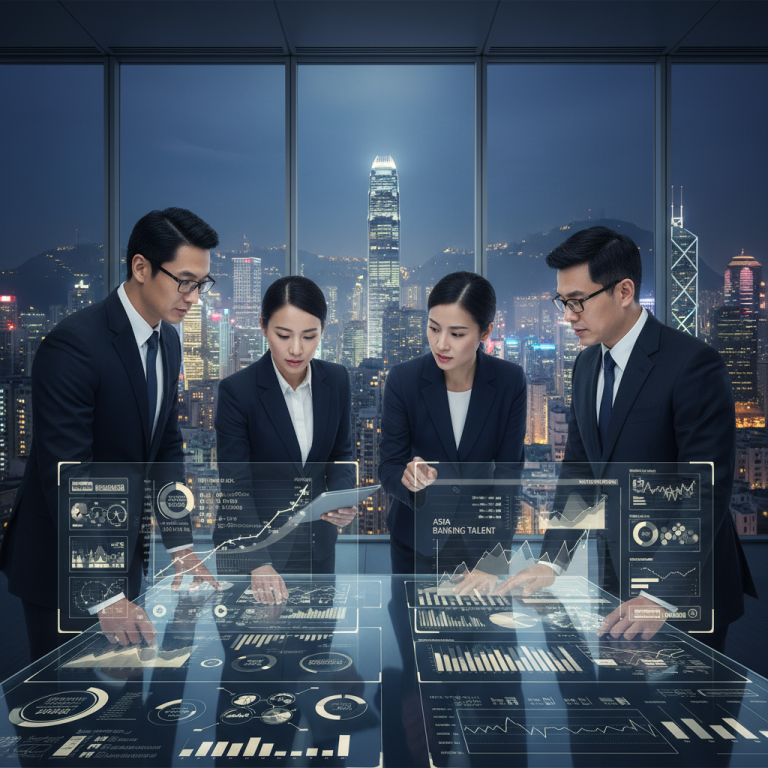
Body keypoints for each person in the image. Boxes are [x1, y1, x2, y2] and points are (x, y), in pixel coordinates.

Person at [499, 225, 756, 651]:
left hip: (684, 589)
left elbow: (707, 487)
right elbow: (580, 472)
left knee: (691, 715)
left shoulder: (692, 364)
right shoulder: (584, 368)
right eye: (562, 302)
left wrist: (659, 592)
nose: (568, 316)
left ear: (623, 291)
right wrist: (551, 562)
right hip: (619, 578)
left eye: (578, 302)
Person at [0, 207, 222, 661]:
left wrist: (180, 544)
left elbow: (165, 444)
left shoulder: (170, 339)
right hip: (63, 568)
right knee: (60, 715)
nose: (194, 297)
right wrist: (102, 590)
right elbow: (68, 474)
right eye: (184, 281)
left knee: (120, 719)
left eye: (202, 284)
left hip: (124, 559)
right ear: (140, 267)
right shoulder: (74, 345)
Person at [214, 276, 357, 604]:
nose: (296, 349)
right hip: (252, 551)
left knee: (316, 648)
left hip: (316, 546)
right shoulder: (238, 391)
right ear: (264, 327)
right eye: (283, 335)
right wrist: (258, 560)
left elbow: (341, 453)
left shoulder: (336, 380)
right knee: (253, 650)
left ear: (323, 329)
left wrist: (341, 498)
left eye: (310, 336)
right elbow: (235, 484)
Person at [379, 271, 527, 577]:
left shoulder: (510, 381)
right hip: (416, 541)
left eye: (457, 334)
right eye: (433, 329)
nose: (441, 344)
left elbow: (509, 472)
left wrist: (495, 558)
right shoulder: (403, 380)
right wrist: (409, 479)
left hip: (482, 542)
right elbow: (389, 466)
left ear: (485, 332)